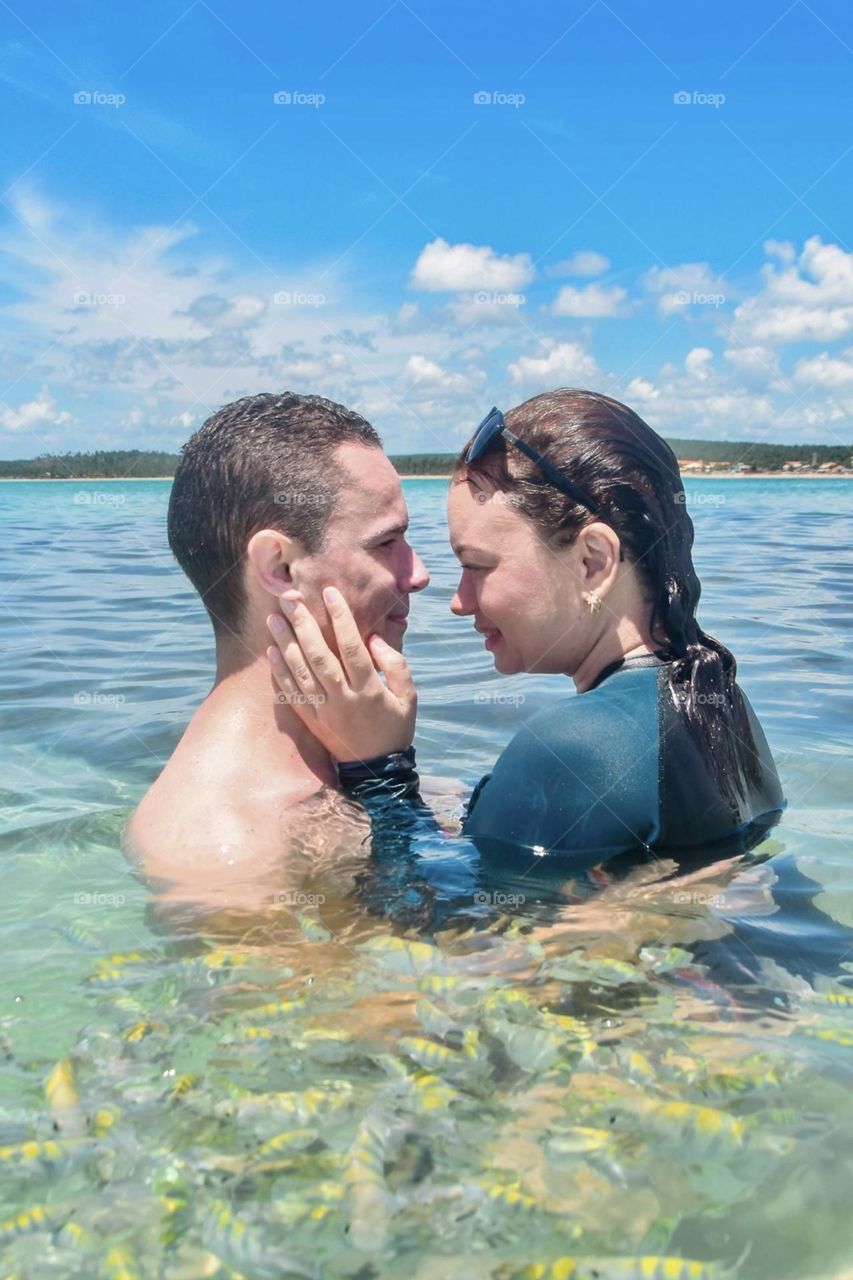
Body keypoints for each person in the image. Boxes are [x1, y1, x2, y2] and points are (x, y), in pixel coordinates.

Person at [265, 388, 785, 876]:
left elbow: (442, 937)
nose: (457, 601)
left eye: (477, 566)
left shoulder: (576, 745)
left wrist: (377, 770)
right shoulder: (714, 693)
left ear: (592, 561)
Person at [123, 391, 430, 901]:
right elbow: (419, 977)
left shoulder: (345, 760)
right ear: (280, 567)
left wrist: (382, 770)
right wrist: (387, 780)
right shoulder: (226, 852)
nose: (419, 573)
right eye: (386, 543)